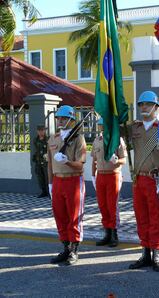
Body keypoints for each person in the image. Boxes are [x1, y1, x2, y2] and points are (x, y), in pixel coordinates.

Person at [127, 90, 159, 272]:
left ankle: (156, 252)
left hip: (155, 179)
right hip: (138, 179)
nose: (143, 107)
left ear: (156, 107)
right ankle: (145, 251)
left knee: (155, 216)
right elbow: (112, 128)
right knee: (141, 216)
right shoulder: (133, 128)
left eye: (147, 104)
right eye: (141, 104)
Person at [47, 105, 87, 266]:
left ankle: (74, 250)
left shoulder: (78, 138)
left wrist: (67, 162)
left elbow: (81, 165)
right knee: (60, 215)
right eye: (58, 118)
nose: (60, 121)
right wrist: (50, 183)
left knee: (74, 216)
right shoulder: (53, 138)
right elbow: (49, 164)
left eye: (63, 118)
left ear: (71, 120)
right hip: (58, 181)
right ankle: (65, 247)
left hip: (73, 180)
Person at [91, 117, 127, 247]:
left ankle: (114, 234)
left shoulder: (117, 140)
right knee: (102, 205)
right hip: (101, 175)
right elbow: (94, 160)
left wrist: (116, 160)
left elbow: (124, 160)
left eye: (104, 126)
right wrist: (92, 176)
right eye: (101, 126)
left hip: (113, 175)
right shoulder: (97, 140)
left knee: (112, 206)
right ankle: (106, 233)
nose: (102, 129)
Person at [32, 124, 49, 198]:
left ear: (45, 131)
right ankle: (43, 191)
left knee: (47, 177)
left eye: (42, 130)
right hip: (38, 161)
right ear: (37, 131)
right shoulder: (35, 139)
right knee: (40, 177)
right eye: (39, 130)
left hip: (46, 161)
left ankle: (50, 192)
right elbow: (36, 150)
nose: (41, 132)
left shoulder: (48, 139)